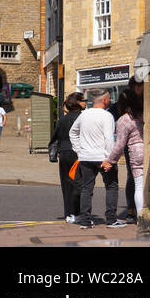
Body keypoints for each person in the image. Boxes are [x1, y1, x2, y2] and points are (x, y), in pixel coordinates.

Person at [70, 88, 118, 228]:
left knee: (86, 189)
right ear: (104, 100)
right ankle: (111, 220)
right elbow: (109, 139)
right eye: (109, 98)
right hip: (103, 158)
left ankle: (85, 221)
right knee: (111, 187)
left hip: (86, 157)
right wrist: (110, 159)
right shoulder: (107, 116)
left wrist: (79, 151)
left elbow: (73, 132)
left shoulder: (83, 115)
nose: (109, 101)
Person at [107, 89, 144, 223]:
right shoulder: (144, 115)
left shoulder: (124, 119)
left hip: (135, 153)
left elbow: (120, 145)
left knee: (138, 185)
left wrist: (110, 160)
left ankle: (141, 218)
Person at [52, 92, 85, 222]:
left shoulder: (62, 119)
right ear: (77, 103)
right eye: (83, 100)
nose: (85, 102)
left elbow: (55, 137)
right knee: (79, 183)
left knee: (66, 184)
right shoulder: (83, 118)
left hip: (64, 153)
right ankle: (77, 213)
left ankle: (68, 214)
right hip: (78, 152)